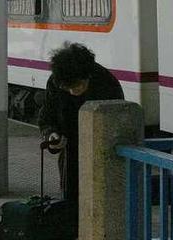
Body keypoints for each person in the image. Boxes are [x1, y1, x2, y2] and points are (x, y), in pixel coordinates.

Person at [38, 43, 123, 202]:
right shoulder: (56, 81)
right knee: (70, 200)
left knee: (99, 199)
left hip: (101, 154)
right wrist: (51, 134)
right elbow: (46, 117)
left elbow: (117, 126)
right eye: (67, 88)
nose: (72, 92)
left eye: (77, 86)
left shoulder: (107, 84)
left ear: (88, 76)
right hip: (70, 154)